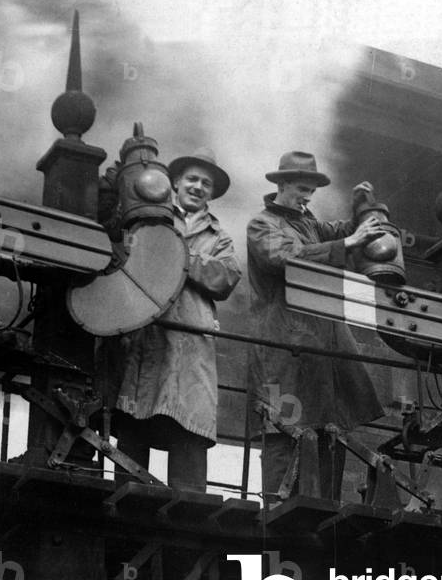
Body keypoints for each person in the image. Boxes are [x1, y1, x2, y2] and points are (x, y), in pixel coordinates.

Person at [247, 151, 387, 500]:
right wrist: (347, 243)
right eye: (300, 188)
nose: (308, 197)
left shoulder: (310, 225)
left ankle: (323, 510)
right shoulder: (262, 224)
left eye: (312, 190)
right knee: (283, 428)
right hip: (284, 350)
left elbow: (345, 232)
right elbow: (285, 258)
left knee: (329, 429)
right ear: (280, 184)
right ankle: (277, 511)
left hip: (321, 351)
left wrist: (362, 206)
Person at [113, 149, 242, 492]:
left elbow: (225, 276)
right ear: (175, 183)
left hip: (191, 344)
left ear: (211, 193)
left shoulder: (220, 236)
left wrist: (174, 252)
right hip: (147, 333)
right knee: (134, 422)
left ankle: (189, 514)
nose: (198, 187)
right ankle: (126, 500)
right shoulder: (149, 215)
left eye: (206, 183)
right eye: (192, 180)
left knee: (189, 426)